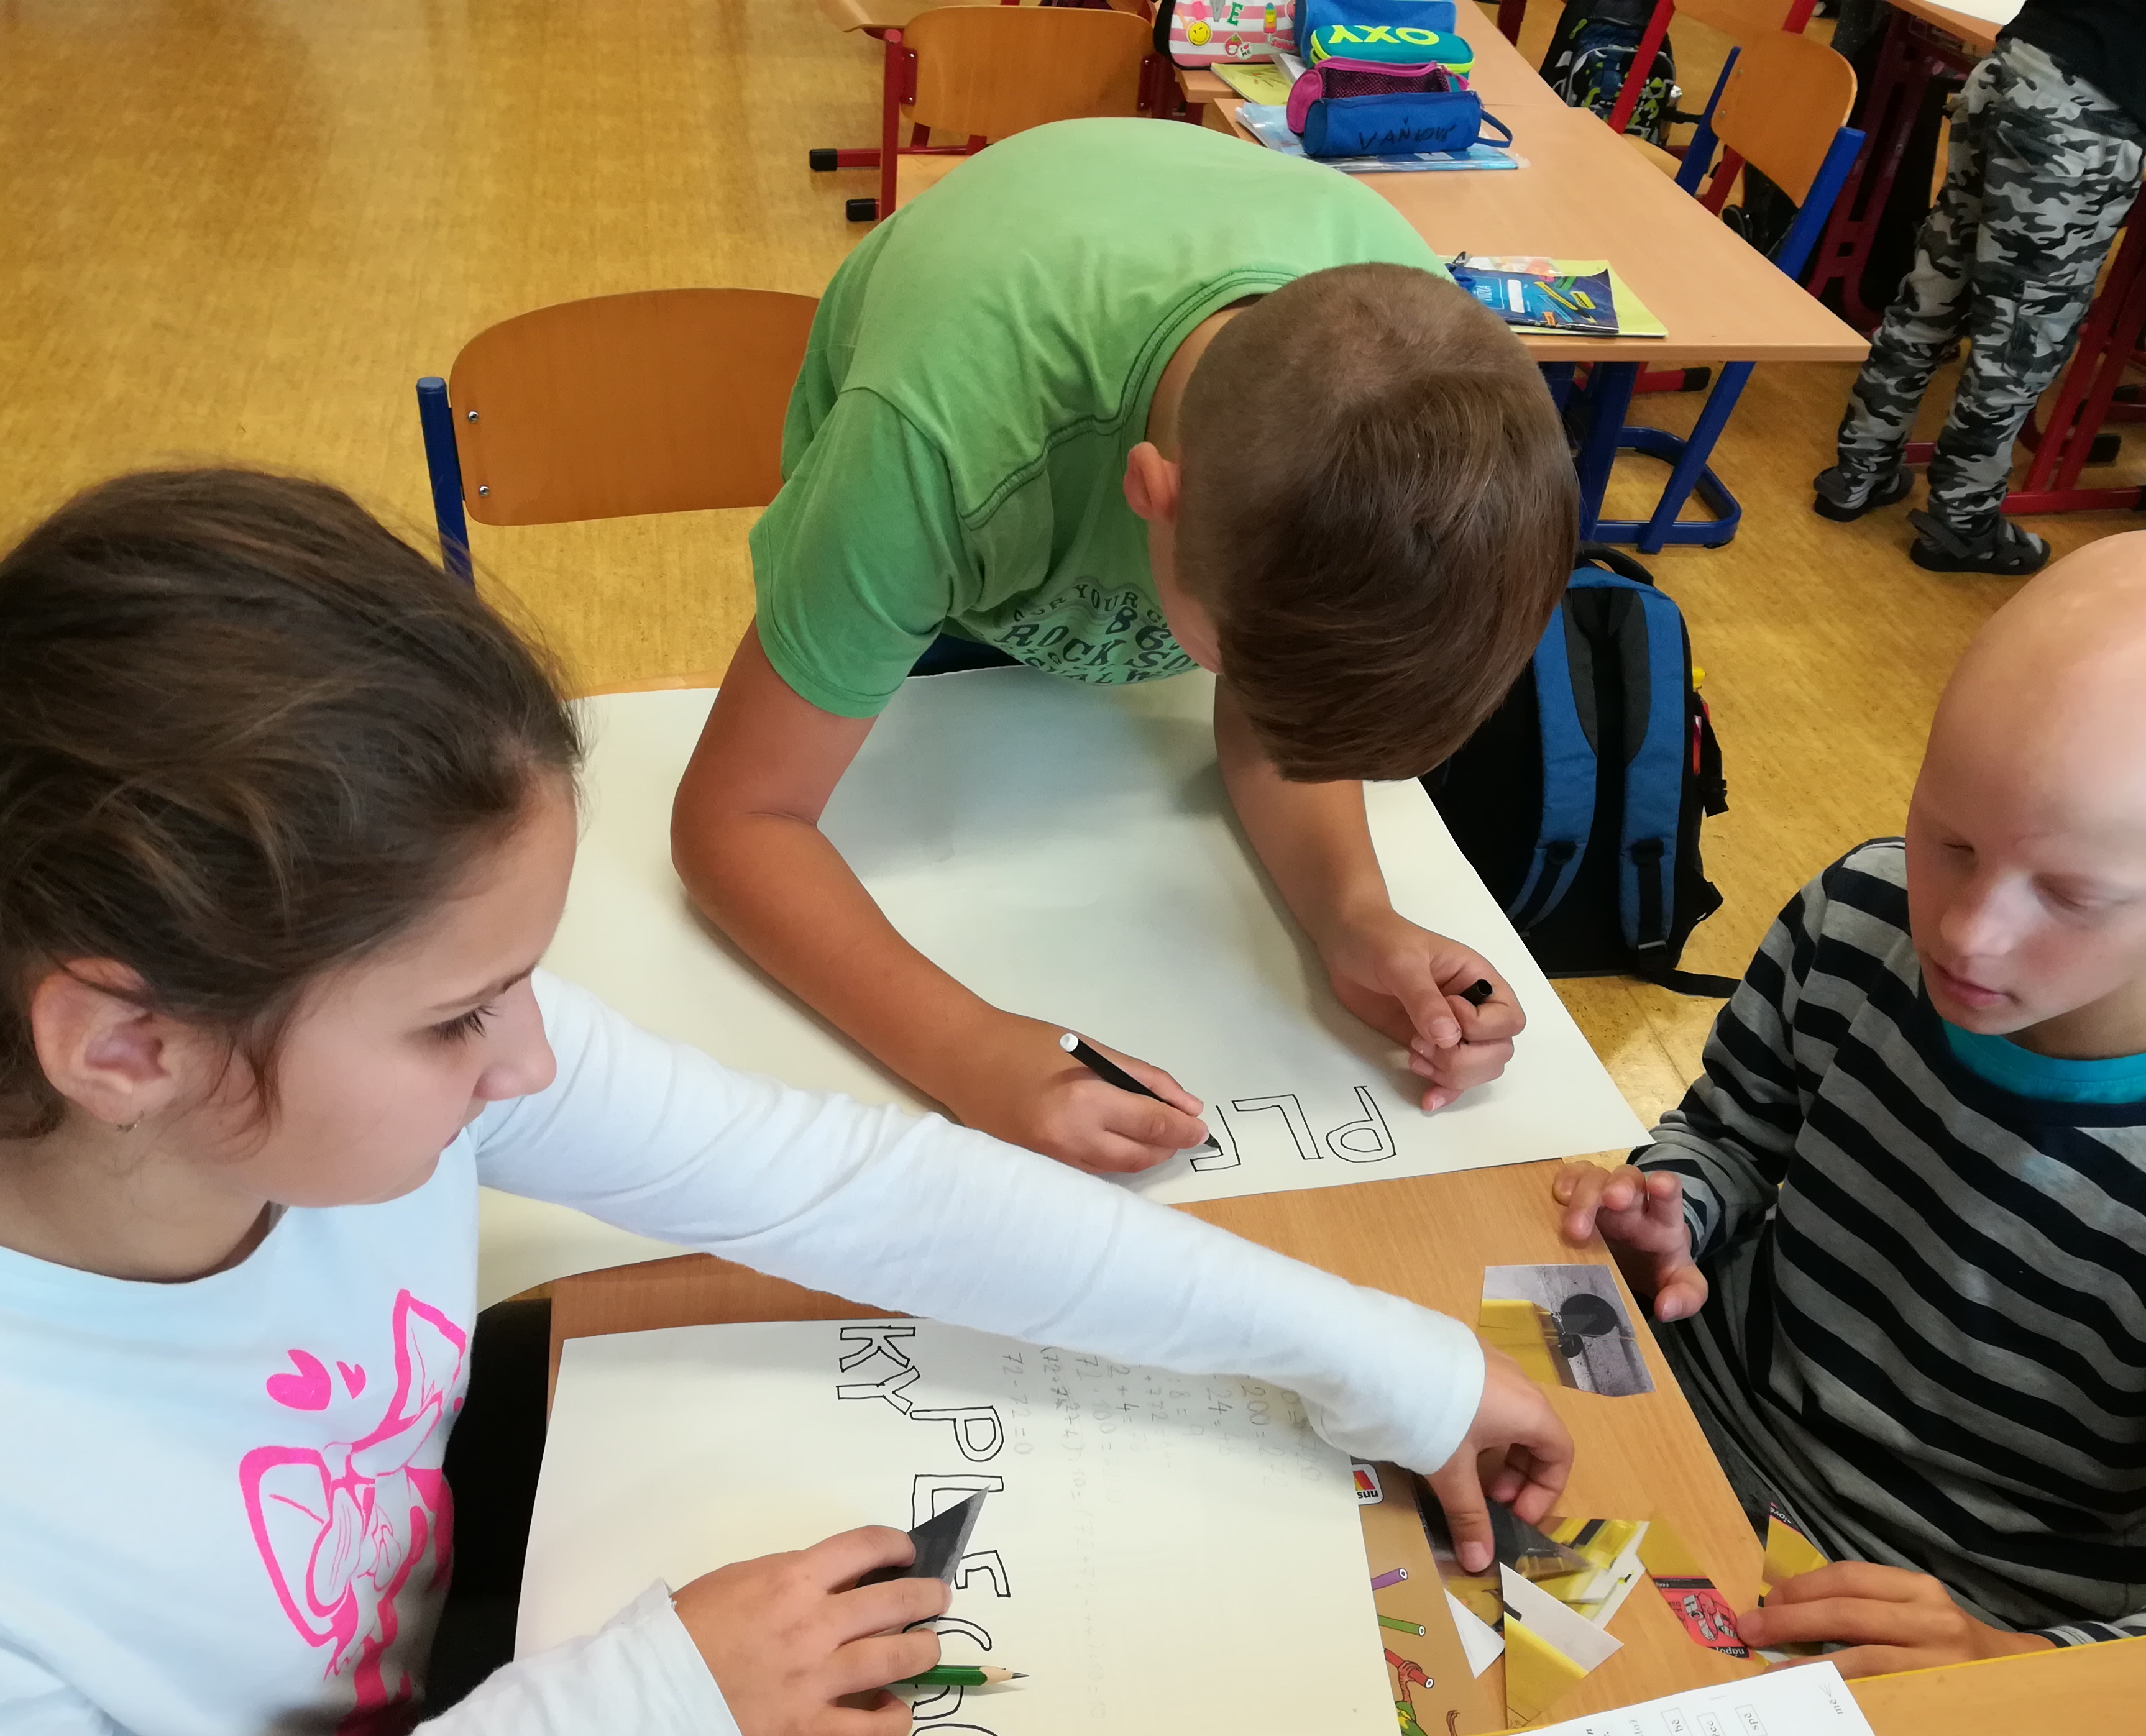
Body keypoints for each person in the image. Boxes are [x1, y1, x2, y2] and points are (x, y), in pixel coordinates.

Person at [0, 470, 1573, 1736]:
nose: (530, 1060)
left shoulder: (319, 1068)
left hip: (468, 1643)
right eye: (456, 1018)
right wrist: (651, 1716)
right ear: (126, 1047)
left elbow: (861, 1190)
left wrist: (1378, 1357)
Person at [671, 117, 1580, 1178]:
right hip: (968, 496)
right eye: (1238, 665)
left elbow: (1283, 705)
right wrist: (966, 1050)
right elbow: (736, 820)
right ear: (1153, 492)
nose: (1246, 698)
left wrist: (1352, 913)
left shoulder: (1428, 395)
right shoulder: (932, 449)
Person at [1552, 530, 2146, 1675]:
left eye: (2073, 896)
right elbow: (1727, 1133)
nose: (1966, 933)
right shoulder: (1858, 910)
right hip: (1679, 1416)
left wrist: (2001, 1665)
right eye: (1949, 839)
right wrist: (1675, 1212)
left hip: (1939, 1609)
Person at [1811, 0, 2146, 575]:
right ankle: (1962, 522)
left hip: (2013, 68)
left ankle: (1859, 469)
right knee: (2023, 332)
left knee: (1936, 287)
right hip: (2080, 114)